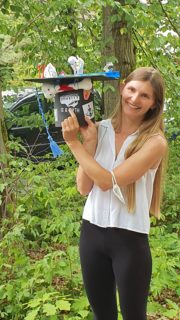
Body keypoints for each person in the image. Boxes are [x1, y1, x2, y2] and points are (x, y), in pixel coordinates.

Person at [61, 67, 168, 320]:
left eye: (145, 95)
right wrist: (87, 142)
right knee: (103, 315)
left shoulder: (155, 142)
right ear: (122, 89)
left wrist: (73, 144)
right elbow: (84, 188)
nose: (134, 98)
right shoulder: (99, 129)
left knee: (134, 316)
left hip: (129, 242)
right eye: (131, 90)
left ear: (154, 104)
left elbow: (108, 182)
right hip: (92, 235)